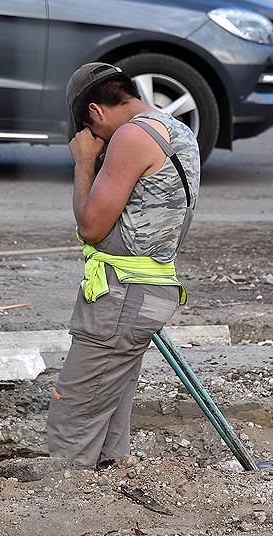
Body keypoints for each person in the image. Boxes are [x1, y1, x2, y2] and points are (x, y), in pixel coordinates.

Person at [46, 63, 200, 469]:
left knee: (74, 412)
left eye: (90, 131)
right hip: (151, 288)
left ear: (96, 112)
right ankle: (108, 492)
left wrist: (83, 162)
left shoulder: (131, 136)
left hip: (122, 296)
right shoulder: (174, 128)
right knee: (111, 402)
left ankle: (62, 503)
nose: (93, 141)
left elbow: (92, 226)